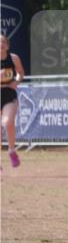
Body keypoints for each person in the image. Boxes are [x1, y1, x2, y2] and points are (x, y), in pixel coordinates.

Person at [1, 34, 26, 168]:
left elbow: (21, 72)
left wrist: (16, 81)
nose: (1, 44)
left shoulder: (13, 58)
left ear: (7, 45)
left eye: (3, 42)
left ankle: (12, 151)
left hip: (8, 93)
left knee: (8, 122)